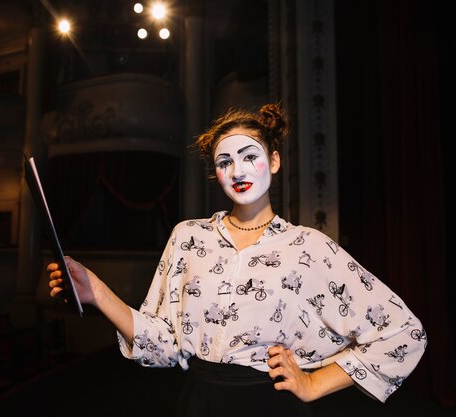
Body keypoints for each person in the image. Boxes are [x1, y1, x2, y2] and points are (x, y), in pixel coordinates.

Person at [47, 103, 427, 416]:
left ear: (274, 161)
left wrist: (314, 384)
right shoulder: (188, 236)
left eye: (249, 156)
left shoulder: (308, 247)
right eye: (224, 161)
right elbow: (163, 345)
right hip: (199, 401)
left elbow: (403, 332)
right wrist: (96, 291)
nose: (237, 170)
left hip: (273, 405)